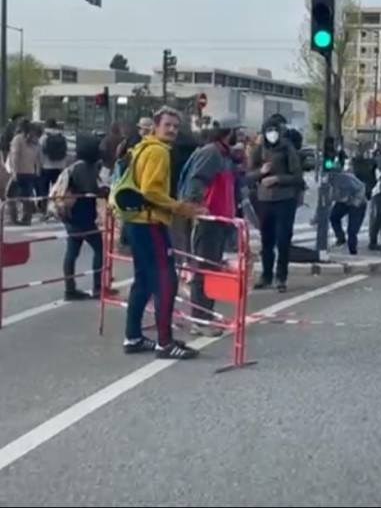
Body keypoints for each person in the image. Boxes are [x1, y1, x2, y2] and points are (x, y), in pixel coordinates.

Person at [121, 107, 205, 360]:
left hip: (135, 221)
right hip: (151, 223)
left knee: (143, 280)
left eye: (175, 126)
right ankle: (165, 343)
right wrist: (178, 207)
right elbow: (151, 191)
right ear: (156, 126)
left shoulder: (141, 148)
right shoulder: (158, 151)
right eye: (167, 125)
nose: (172, 130)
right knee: (166, 281)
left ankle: (133, 337)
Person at [179, 114, 242, 337]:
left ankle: (205, 315)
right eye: (237, 131)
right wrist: (199, 207)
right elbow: (195, 181)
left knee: (211, 270)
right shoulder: (211, 153)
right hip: (209, 222)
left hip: (219, 221)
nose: (240, 135)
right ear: (229, 132)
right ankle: (200, 319)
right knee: (204, 270)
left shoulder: (223, 155)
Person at [248, 115, 305, 293]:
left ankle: (281, 277)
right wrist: (260, 172)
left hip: (285, 200)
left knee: (283, 239)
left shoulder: (287, 148)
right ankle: (266, 275)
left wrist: (277, 179)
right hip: (264, 200)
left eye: (275, 130)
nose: (272, 134)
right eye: (268, 130)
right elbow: (249, 174)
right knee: (266, 240)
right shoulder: (259, 149)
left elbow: (297, 176)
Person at [60, 135, 117, 301]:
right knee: (99, 248)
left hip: (71, 215)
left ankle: (70, 289)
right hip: (82, 216)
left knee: (72, 251)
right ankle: (98, 287)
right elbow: (92, 189)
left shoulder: (75, 165)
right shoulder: (84, 168)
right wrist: (105, 191)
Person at [6, 120, 41, 225]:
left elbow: (15, 155)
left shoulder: (18, 139)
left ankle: (14, 219)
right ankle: (27, 218)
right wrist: (37, 170)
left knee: (10, 195)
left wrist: (14, 170)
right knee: (26, 196)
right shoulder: (34, 140)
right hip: (30, 171)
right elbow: (38, 157)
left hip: (19, 171)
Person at [328, 171, 368, 255]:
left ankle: (352, 250)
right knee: (333, 217)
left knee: (352, 230)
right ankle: (341, 238)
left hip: (357, 202)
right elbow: (325, 204)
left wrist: (357, 201)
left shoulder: (344, 179)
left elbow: (361, 187)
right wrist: (316, 218)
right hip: (343, 202)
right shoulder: (328, 186)